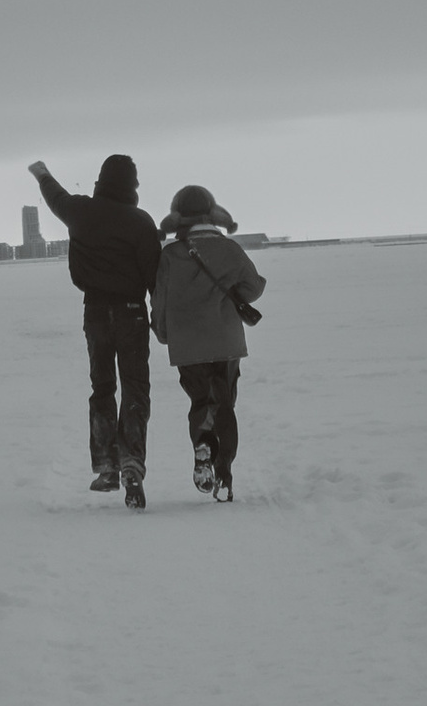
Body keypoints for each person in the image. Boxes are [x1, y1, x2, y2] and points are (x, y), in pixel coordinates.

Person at [28, 154, 162, 506]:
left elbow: (56, 196)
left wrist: (42, 173)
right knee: (135, 389)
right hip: (132, 314)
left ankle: (106, 467)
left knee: (102, 388)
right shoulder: (140, 222)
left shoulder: (81, 211)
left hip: (96, 313)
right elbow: (154, 278)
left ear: (101, 179)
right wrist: (161, 317)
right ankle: (132, 461)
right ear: (132, 185)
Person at [149, 186, 266, 499]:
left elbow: (159, 299)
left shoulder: (170, 255)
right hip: (226, 341)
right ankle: (224, 468)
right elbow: (253, 288)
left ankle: (203, 444)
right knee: (225, 402)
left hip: (187, 345)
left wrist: (162, 332)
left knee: (201, 401)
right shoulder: (230, 249)